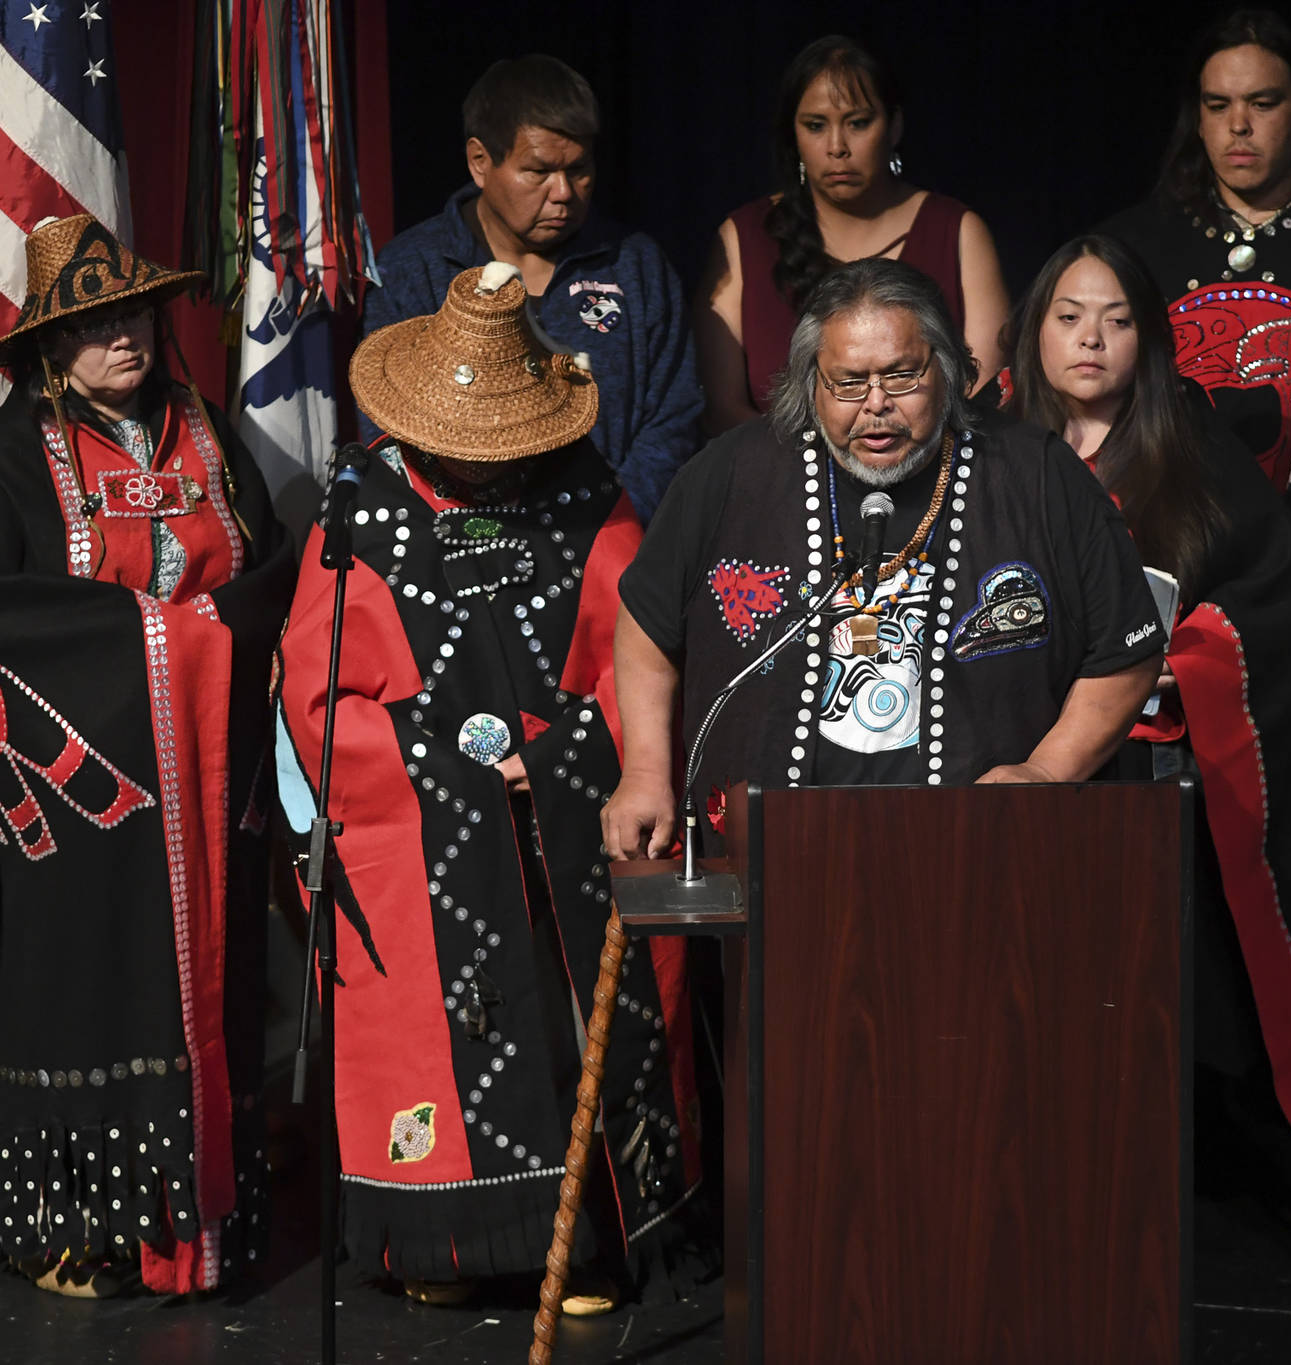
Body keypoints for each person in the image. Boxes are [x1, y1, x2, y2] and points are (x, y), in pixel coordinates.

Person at [277, 263, 700, 1315]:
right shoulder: (359, 511)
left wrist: (562, 758)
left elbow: (639, 654)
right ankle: (445, 1246)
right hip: (424, 838)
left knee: (575, 1021)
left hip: (563, 820)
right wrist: (448, 766)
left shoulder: (589, 496)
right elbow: (319, 699)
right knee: (439, 1031)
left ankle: (590, 1238)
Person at [0, 213, 294, 1296]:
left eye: (134, 312)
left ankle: (197, 1211)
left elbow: (266, 567)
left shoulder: (202, 427)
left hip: (210, 770)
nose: (126, 336)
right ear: (49, 345)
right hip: (87, 794)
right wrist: (159, 641)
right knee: (81, 990)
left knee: (213, 978)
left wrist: (207, 636)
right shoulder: (10, 459)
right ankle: (70, 1223)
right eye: (96, 323)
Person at [603, 256, 1163, 866]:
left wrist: (1048, 771)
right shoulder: (732, 471)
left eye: (902, 377)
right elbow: (647, 623)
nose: (875, 405)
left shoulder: (1036, 474)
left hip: (985, 860)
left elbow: (1126, 651)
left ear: (947, 370)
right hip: (772, 864)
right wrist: (646, 774)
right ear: (809, 381)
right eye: (848, 382)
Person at [1007, 233, 1291, 1218]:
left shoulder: (1191, 449)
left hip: (1155, 774)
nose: (1090, 341)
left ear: (1147, 340)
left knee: (1159, 996)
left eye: (1116, 321)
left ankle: (1164, 1178)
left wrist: (1182, 652)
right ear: (1034, 330)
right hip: (1021, 763)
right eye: (1068, 318)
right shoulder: (991, 446)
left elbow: (1266, 595)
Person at [1098, 7, 1291, 1011]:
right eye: (1217, 106)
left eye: (1263, 104)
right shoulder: (1130, 250)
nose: (1239, 129)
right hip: (1185, 604)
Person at [362, 55, 699, 521]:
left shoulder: (636, 264)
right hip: (454, 557)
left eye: (579, 170)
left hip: (616, 549)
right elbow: (387, 426)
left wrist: (603, 529)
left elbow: (674, 420)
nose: (564, 192)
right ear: (480, 162)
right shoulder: (412, 269)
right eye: (538, 172)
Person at [697, 35, 1010, 436]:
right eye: (815, 126)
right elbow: (722, 409)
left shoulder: (959, 231)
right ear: (792, 133)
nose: (836, 147)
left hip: (934, 483)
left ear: (894, 125)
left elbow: (984, 395)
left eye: (858, 123)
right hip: (776, 485)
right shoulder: (743, 237)